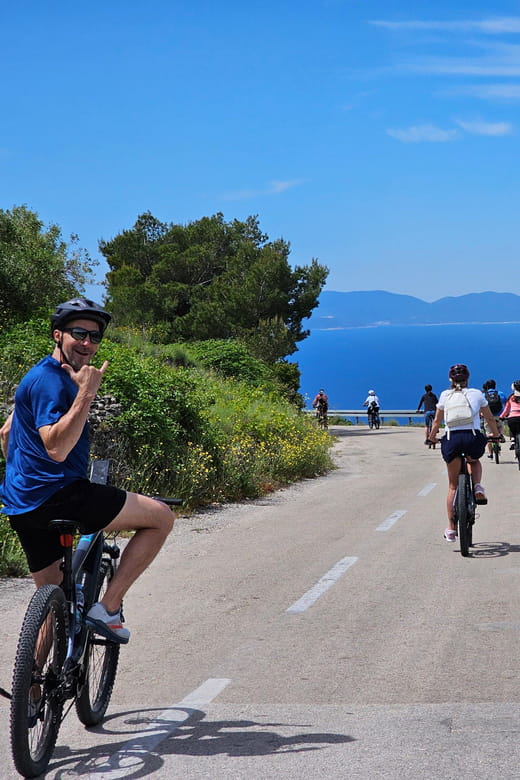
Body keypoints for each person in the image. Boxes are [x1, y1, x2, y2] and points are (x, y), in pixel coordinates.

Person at [0, 298, 174, 644]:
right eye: (79, 333)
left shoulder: (34, 376)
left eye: (94, 338)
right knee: (161, 517)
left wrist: (26, 476)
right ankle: (107, 609)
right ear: (57, 334)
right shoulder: (54, 381)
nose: (87, 343)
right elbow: (57, 448)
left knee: (54, 602)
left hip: (21, 506)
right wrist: (87, 393)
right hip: (62, 497)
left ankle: (30, 694)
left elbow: (6, 434)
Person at [428, 364, 499, 543]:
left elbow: (437, 420)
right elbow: (490, 418)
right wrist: (496, 435)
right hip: (472, 438)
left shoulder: (445, 395)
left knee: (452, 486)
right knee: (473, 461)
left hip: (452, 439)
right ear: (467, 379)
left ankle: (451, 529)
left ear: (450, 380)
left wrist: (431, 437)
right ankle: (477, 486)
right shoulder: (476, 394)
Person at [481, 379, 507, 458]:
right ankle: (501, 435)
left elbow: (480, 406)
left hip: (488, 416)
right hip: (499, 415)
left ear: (487, 386)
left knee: (489, 433)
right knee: (500, 426)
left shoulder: (484, 395)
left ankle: (491, 454)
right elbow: (505, 403)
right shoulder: (500, 393)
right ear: (495, 386)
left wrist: (482, 414)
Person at [500, 381, 520, 448]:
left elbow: (506, 410)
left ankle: (513, 440)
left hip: (512, 417)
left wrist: (501, 416)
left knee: (512, 428)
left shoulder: (511, 397)